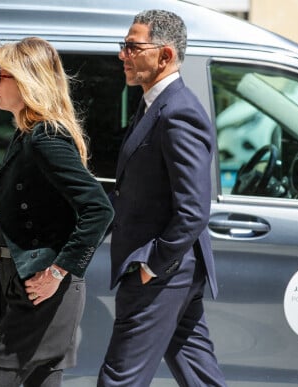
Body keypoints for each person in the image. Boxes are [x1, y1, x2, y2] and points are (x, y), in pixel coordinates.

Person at [0, 37, 114, 387]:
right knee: (42, 378)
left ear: (25, 80)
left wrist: (57, 271)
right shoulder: (26, 135)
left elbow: (99, 209)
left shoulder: (45, 139)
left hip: (42, 290)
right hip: (28, 285)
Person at [97, 10, 227, 387]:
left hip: (163, 272)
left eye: (133, 47)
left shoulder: (178, 112)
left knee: (119, 378)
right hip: (173, 271)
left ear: (165, 55)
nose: (123, 54)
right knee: (199, 375)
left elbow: (192, 211)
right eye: (124, 46)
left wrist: (152, 264)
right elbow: (133, 189)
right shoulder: (152, 104)